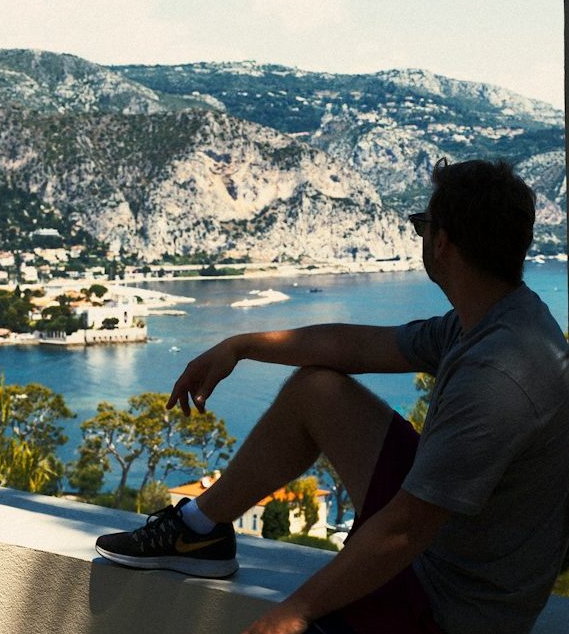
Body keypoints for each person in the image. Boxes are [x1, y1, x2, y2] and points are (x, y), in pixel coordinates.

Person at [96, 158, 569, 634]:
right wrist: (240, 346)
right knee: (316, 390)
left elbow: (406, 529)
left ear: (441, 241)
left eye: (421, 225)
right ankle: (198, 530)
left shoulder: (497, 373)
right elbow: (355, 346)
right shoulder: (487, 321)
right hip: (452, 541)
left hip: (447, 600)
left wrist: (294, 611)